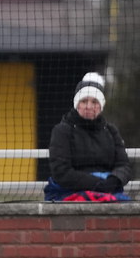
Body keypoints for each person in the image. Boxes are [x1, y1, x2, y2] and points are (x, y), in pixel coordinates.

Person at [44, 73, 132, 202]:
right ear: (77, 104)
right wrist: (97, 184)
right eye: (84, 101)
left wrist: (114, 180)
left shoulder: (111, 131)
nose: (89, 106)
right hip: (70, 192)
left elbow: (124, 165)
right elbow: (61, 171)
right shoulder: (62, 131)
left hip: (108, 190)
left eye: (94, 102)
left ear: (101, 106)